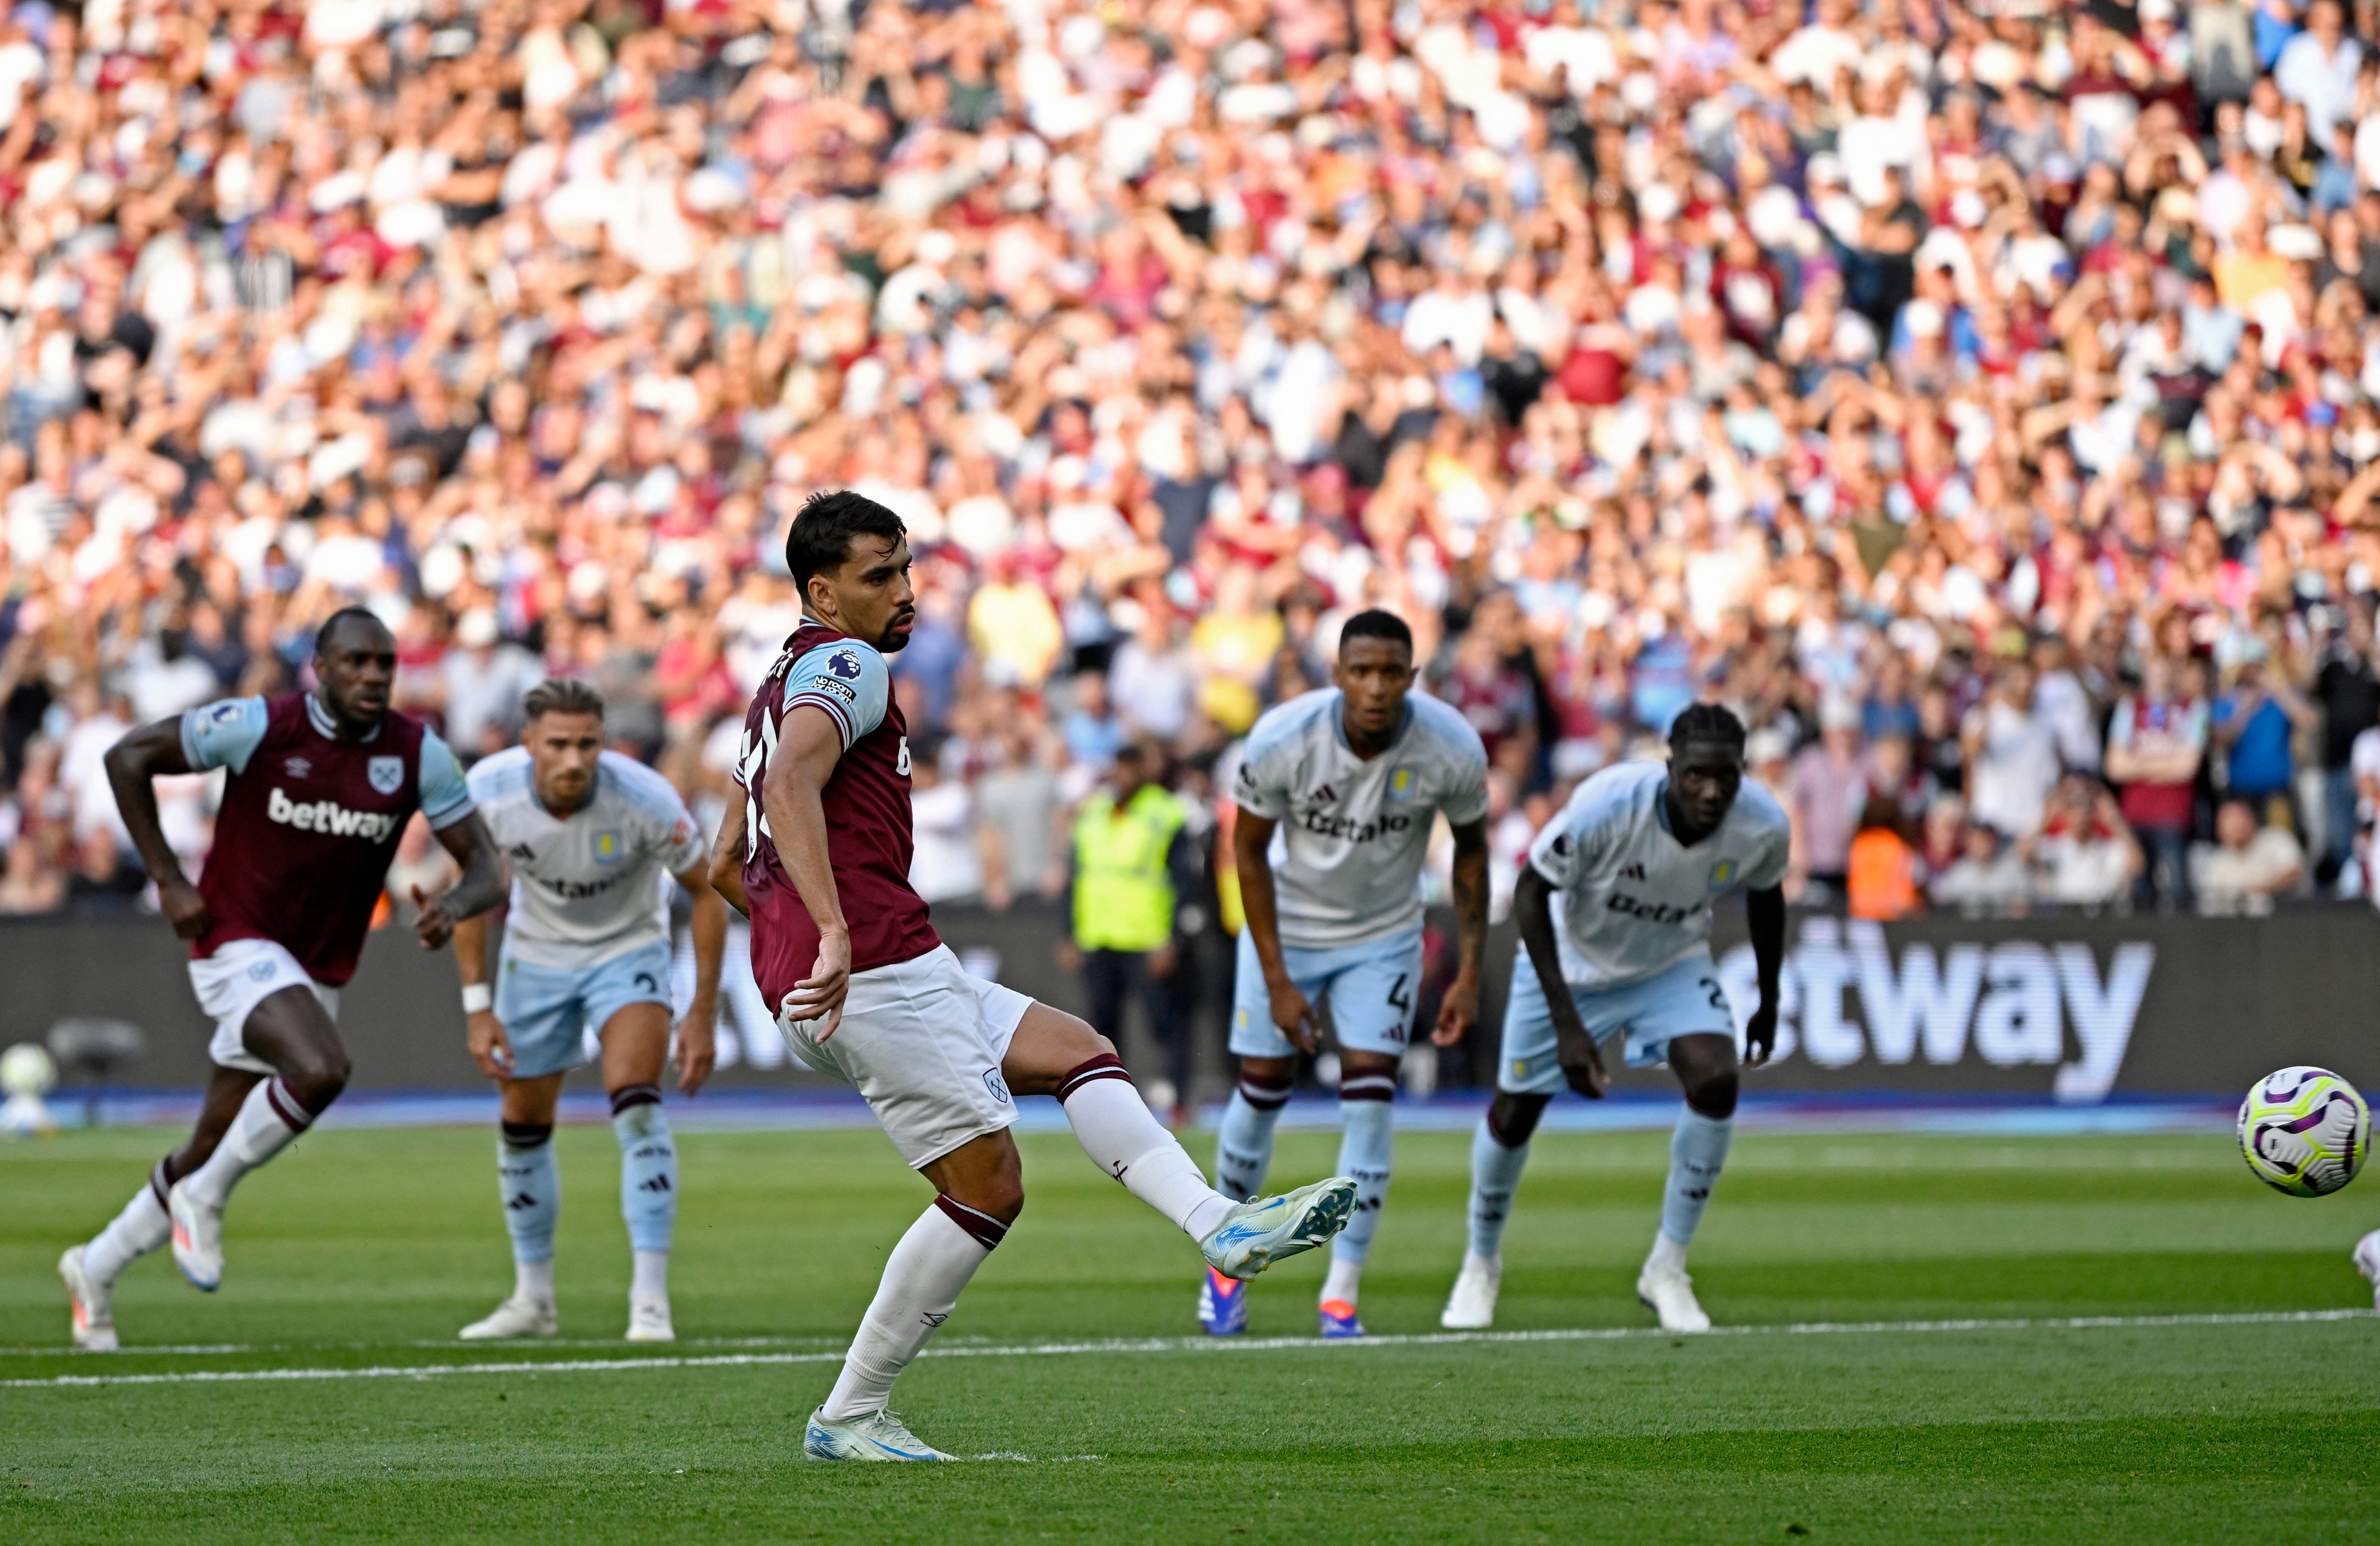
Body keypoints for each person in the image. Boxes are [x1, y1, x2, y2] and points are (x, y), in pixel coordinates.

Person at [709, 491, 1354, 1462]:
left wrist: (793, 940)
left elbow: (725, 861)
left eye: (906, 568)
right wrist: (832, 934)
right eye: (878, 576)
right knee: (988, 1187)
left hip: (861, 963)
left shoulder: (775, 685)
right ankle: (850, 1413)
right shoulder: (847, 664)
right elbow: (791, 784)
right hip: (872, 960)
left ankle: (1218, 1225)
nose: (904, 591)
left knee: (1076, 1051)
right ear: (823, 593)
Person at [57, 609, 505, 1351]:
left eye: (384, 664)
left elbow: (488, 865)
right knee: (321, 1067)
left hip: (313, 964)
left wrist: (452, 904)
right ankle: (205, 1199)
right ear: (320, 668)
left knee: (210, 1138)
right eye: (356, 662)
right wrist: (169, 878)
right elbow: (128, 756)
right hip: (233, 938)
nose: (372, 676)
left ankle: (95, 1267)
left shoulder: (418, 753)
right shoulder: (261, 725)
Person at [1441, 703, 1788, 1334]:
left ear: (1743, 772)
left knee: (1716, 1077)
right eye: (1696, 775)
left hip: (1670, 961)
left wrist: (1768, 999)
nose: (1711, 791)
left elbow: (1767, 897)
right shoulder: (1608, 804)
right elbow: (1530, 890)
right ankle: (1480, 1262)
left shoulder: (1762, 824)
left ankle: (1666, 1268)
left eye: (1726, 776)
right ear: (1669, 767)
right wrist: (1567, 1023)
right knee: (1515, 1112)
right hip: (1570, 962)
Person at [1204, 608, 1491, 1340]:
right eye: (1360, 671)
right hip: (1288, 930)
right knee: (1261, 1091)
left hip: (1384, 937)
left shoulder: (1451, 745)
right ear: (1337, 674)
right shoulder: (1283, 737)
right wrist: (1277, 979)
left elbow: (1471, 855)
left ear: (1411, 677)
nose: (1375, 686)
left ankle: (1341, 1294)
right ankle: (1225, 1264)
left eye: (1391, 672)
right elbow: (1247, 852)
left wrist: (1468, 972)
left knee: (1370, 1104)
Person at [449, 678, 728, 1344]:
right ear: (528, 745)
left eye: (587, 744)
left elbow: (708, 892)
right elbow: (472, 895)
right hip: (535, 954)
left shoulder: (644, 798)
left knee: (636, 1104)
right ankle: (533, 1300)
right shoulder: (487, 791)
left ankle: (650, 1301)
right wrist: (478, 1009)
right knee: (523, 1121)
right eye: (558, 745)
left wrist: (700, 1013)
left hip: (626, 949)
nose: (574, 760)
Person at [1061, 741, 1198, 1119]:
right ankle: (1112, 1106)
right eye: (1118, 768)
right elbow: (1077, 874)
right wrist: (1069, 932)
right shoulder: (1094, 811)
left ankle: (1181, 1102)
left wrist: (1173, 941)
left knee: (1166, 1024)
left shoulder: (1166, 812)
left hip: (1146, 937)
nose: (1123, 776)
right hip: (1099, 935)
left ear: (1143, 771)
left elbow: (1185, 883)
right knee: (1103, 1030)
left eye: (1130, 768)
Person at [2191, 796, 2307, 914]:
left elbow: (2295, 872)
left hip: (2285, 918)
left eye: (2241, 818)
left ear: (2253, 819)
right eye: (2230, 821)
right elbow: (2208, 906)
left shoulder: (2276, 840)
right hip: (2234, 924)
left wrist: (2265, 888)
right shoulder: (2215, 863)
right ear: (2219, 829)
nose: (2237, 825)